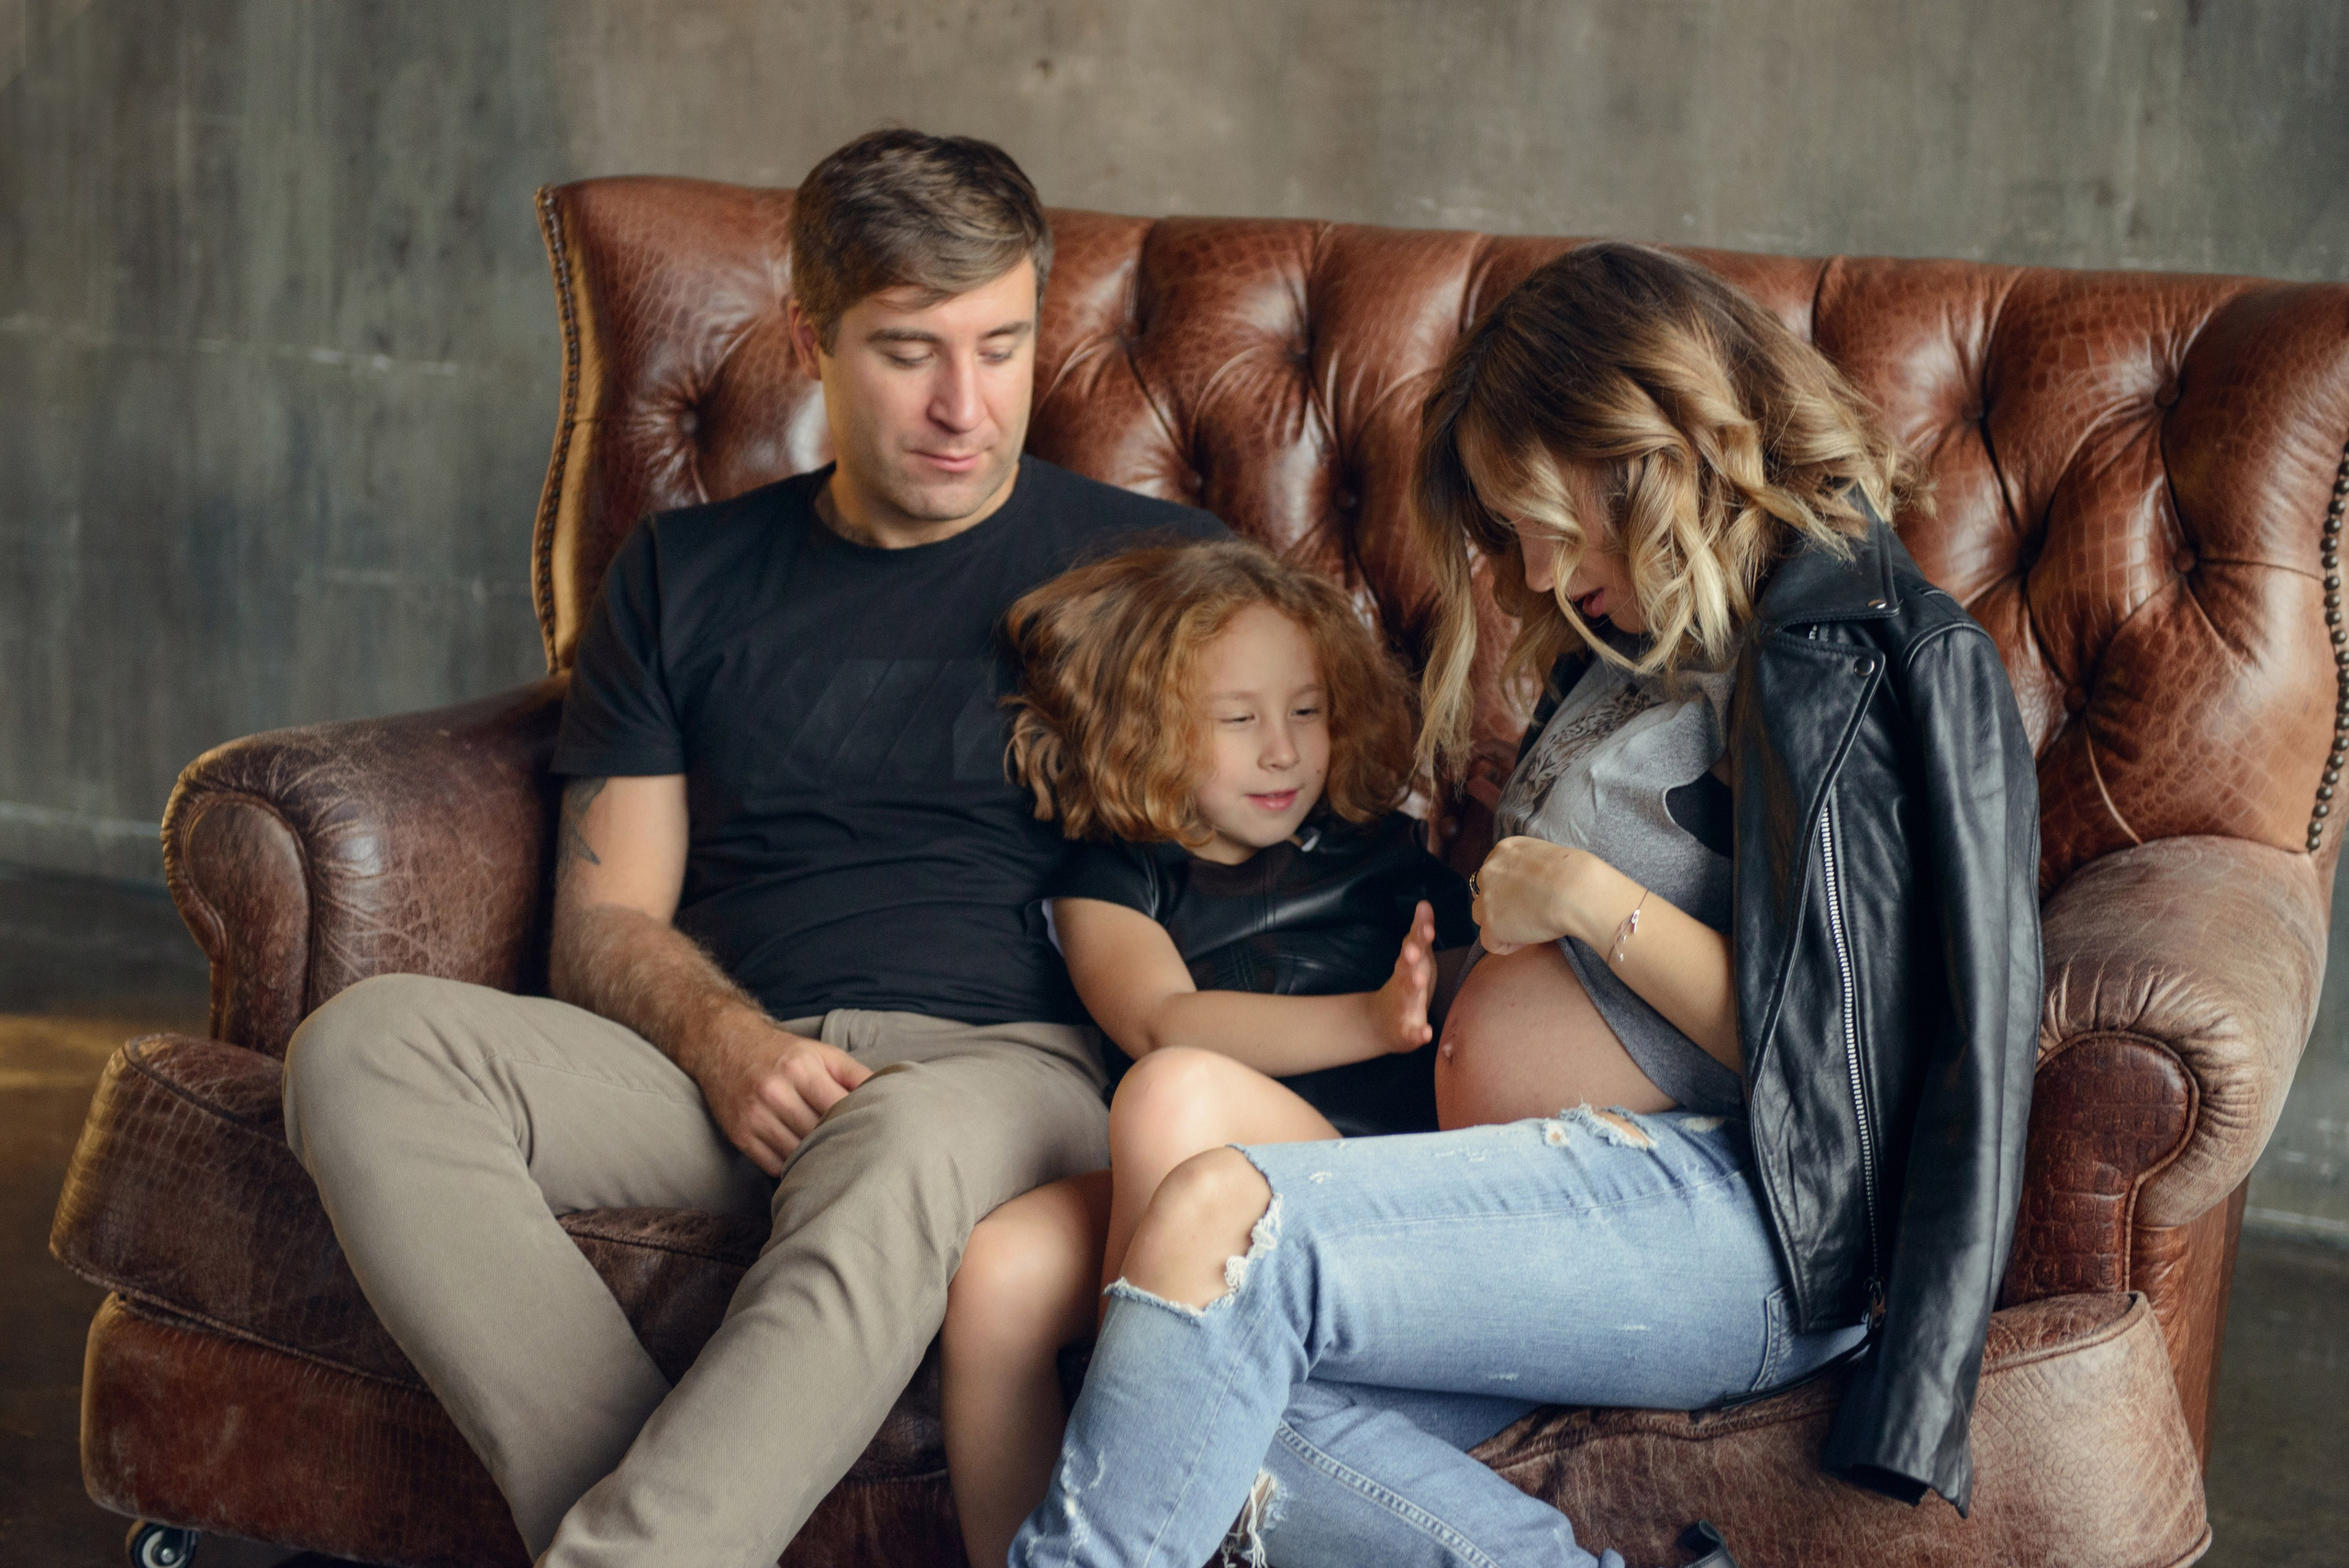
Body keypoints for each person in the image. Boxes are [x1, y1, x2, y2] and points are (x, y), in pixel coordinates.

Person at [1009, 242, 2042, 1568]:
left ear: (1636, 445)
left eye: (1542, 514)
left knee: (1223, 1223)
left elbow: (1854, 1068)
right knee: (1196, 1405)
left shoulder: (1855, 654)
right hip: (1574, 1207)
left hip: (1737, 1213)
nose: (1539, 569)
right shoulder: (1636, 647)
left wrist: (1587, 896)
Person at [276, 128, 1222, 1567]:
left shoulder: (1166, 575)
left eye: (1005, 345)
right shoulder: (683, 572)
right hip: (729, 1070)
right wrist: (723, 1042)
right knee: (364, 1049)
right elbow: (602, 925)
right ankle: (669, 1523)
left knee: (900, 1134)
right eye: (910, 351)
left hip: (1010, 1077)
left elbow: (1280, 871)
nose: (967, 405)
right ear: (810, 339)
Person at [938, 539, 1477, 1568]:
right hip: (1173, 1171)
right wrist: (1367, 1019)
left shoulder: (1394, 863)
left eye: (1307, 711)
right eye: (1238, 720)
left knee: (1171, 1101)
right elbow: (1159, 1019)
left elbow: (1478, 1036)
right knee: (998, 1270)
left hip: (1362, 1189)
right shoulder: (1111, 876)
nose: (1281, 750)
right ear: (1153, 728)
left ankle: (1139, 1512)